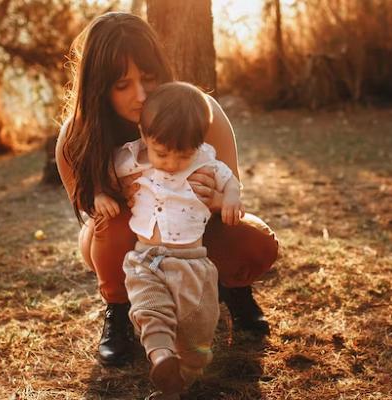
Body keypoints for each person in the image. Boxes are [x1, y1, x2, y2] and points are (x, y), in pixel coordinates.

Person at [55, 12, 279, 368]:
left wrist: (221, 201)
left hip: (196, 228)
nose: (141, 95)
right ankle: (118, 310)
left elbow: (231, 185)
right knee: (109, 222)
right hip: (121, 238)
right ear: (99, 86)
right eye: (121, 84)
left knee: (252, 240)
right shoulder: (76, 137)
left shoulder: (200, 113)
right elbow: (87, 209)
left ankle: (234, 291)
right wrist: (110, 197)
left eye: (148, 77)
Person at [94, 81, 243, 398]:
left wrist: (229, 199)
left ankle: (180, 379)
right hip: (146, 258)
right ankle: (160, 355)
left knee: (196, 330)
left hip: (193, 262)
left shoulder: (205, 160)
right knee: (150, 309)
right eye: (162, 153)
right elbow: (102, 173)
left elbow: (230, 181)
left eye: (183, 155)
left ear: (198, 144)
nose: (173, 163)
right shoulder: (131, 157)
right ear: (145, 135)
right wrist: (100, 195)